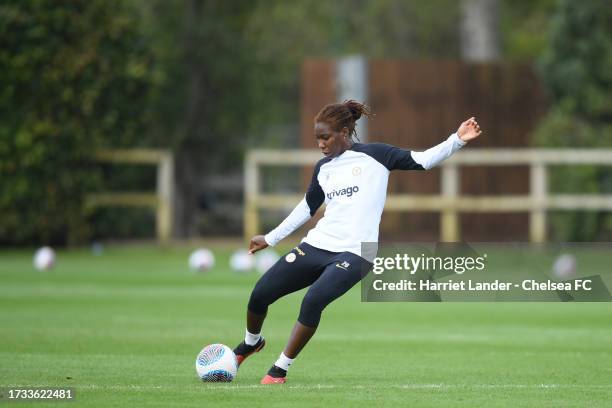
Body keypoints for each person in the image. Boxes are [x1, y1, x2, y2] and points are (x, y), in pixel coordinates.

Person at [233, 100, 482, 384]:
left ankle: (280, 368)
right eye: (317, 138)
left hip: (355, 254)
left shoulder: (377, 155)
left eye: (325, 137)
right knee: (261, 293)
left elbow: (423, 161)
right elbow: (307, 208)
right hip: (317, 245)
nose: (320, 144)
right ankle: (251, 342)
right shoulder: (323, 168)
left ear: (344, 131)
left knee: (313, 300)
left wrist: (457, 139)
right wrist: (270, 237)